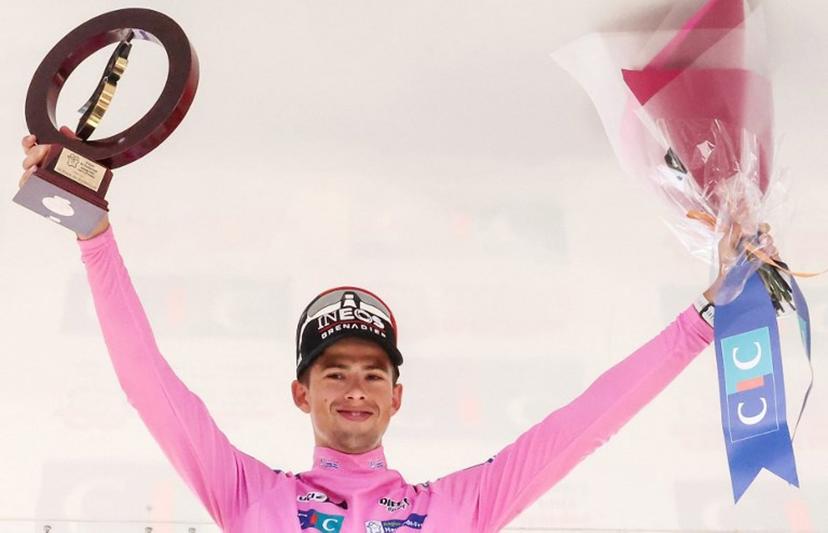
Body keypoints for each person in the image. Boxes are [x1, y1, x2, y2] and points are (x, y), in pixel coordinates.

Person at [19, 131, 778, 533]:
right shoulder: (246, 494)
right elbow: (149, 384)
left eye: (372, 372)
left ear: (397, 395)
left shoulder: (458, 509)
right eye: (336, 371)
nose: (354, 386)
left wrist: (706, 319)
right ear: (301, 391)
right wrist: (93, 235)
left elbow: (581, 426)